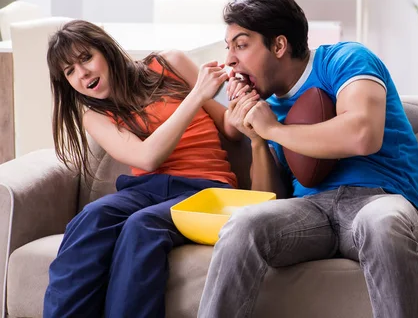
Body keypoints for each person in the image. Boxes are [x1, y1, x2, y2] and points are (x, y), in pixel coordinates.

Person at [198, 0, 418, 318]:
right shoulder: (266, 106)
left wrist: (274, 130)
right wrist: (258, 140)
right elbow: (272, 198)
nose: (230, 60)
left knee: (382, 224)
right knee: (243, 224)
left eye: (241, 45)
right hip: (310, 212)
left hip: (380, 197)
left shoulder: (345, 59)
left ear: (279, 45)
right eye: (228, 48)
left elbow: (363, 135)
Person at [43, 20, 259, 318]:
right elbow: (147, 158)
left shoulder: (169, 63)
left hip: (207, 188)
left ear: (105, 50)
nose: (83, 74)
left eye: (86, 58)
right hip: (148, 188)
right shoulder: (94, 117)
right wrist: (196, 94)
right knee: (91, 217)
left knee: (141, 227)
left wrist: (238, 100)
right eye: (70, 71)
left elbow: (228, 127)